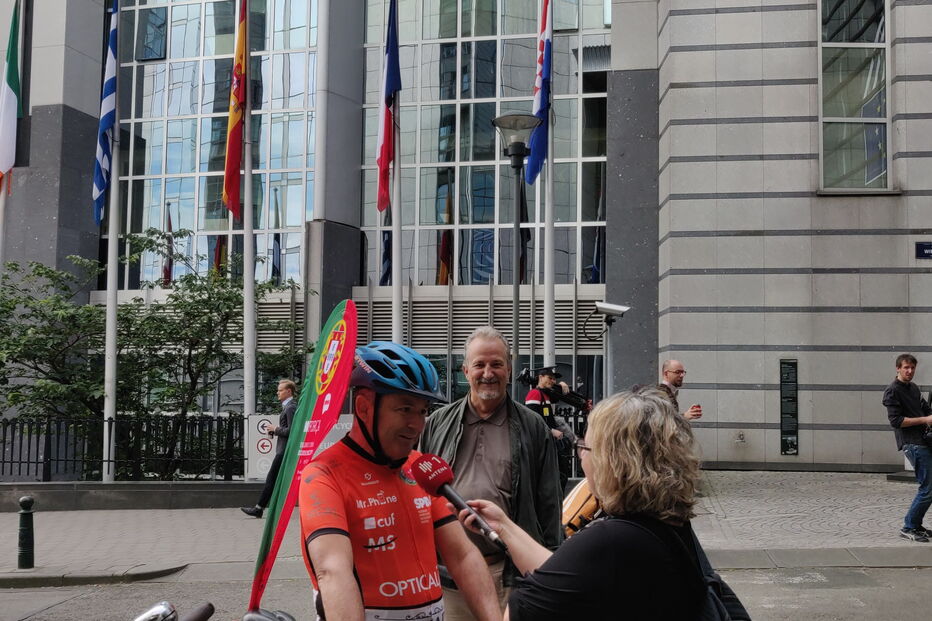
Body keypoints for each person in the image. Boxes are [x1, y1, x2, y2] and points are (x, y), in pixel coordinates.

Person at [455, 389, 748, 620]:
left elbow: (525, 609)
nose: (581, 457)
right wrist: (504, 527)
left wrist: (468, 561)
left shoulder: (608, 541)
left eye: (585, 446)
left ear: (614, 461)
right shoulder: (664, 525)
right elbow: (565, 573)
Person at [298, 341, 500, 621]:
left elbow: (463, 555)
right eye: (405, 409)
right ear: (364, 407)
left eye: (422, 411)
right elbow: (332, 572)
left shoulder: (419, 467)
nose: (417, 425)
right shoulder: (322, 476)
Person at [420, 326, 562, 619]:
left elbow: (549, 502)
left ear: (509, 369)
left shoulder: (533, 427)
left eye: (497, 364)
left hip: (507, 574)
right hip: (449, 577)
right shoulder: (436, 423)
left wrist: (550, 568)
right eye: (480, 365)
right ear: (465, 370)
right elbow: (418, 492)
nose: (488, 372)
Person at [883, 353, 932, 543]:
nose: (910, 371)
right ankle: (909, 526)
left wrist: (928, 416)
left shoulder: (913, 388)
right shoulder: (892, 391)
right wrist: (925, 420)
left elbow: (924, 410)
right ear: (898, 368)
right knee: (927, 488)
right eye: (906, 368)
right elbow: (896, 421)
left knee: (928, 487)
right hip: (912, 444)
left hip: (923, 441)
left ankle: (916, 525)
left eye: (912, 368)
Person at [241, 379, 298, 518]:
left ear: (288, 391)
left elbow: (292, 431)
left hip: (284, 451)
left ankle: (259, 508)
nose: (277, 393)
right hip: (284, 450)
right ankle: (265, 508)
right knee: (278, 480)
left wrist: (275, 429)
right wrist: (276, 430)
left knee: (271, 479)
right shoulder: (288, 407)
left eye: (280, 390)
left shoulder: (290, 407)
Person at [524, 367, 576, 492]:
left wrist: (562, 384)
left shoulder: (545, 394)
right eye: (550, 378)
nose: (553, 381)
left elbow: (560, 394)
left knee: (560, 475)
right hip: (544, 442)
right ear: (540, 377)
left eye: (554, 379)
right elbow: (532, 419)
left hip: (548, 440)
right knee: (558, 475)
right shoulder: (535, 394)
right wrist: (551, 430)